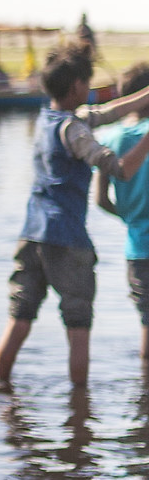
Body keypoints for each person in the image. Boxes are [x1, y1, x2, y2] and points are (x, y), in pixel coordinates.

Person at [0, 47, 149, 386]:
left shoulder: (49, 119)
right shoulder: (76, 132)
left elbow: (108, 112)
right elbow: (120, 169)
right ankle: (81, 410)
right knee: (78, 327)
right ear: (77, 85)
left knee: (19, 318)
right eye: (88, 83)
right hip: (67, 239)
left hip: (32, 233)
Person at [95, 63, 149, 362]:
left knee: (146, 326)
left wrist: (130, 217)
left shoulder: (109, 138)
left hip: (136, 249)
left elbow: (101, 199)